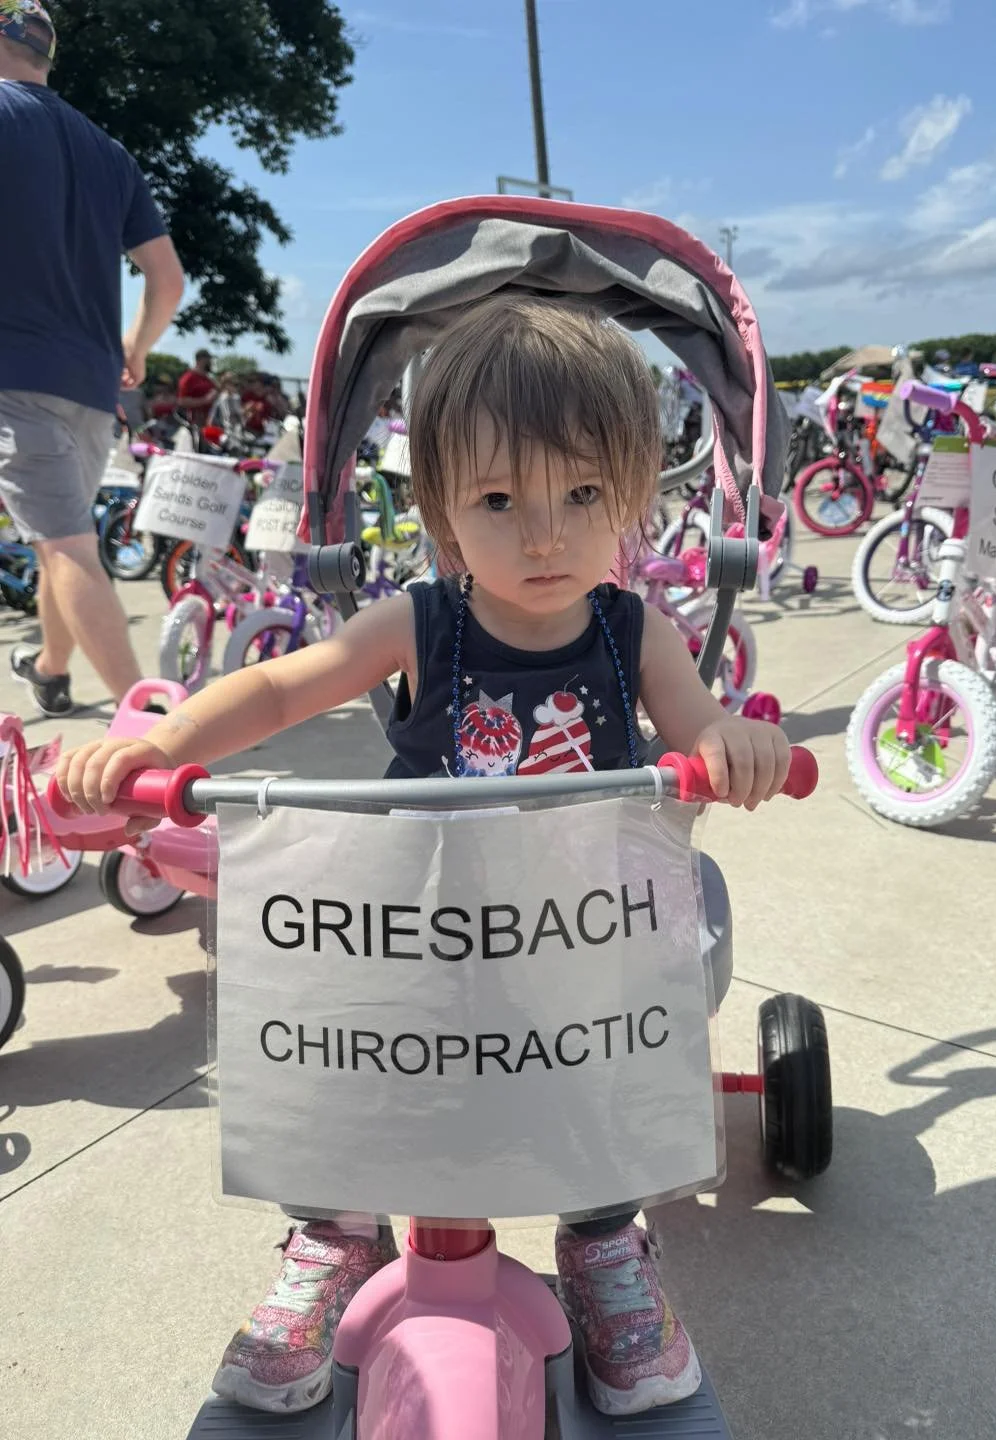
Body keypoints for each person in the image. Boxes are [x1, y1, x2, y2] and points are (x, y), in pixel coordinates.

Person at [56, 295, 792, 1419]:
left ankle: (601, 1243)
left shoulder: (631, 632)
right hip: (421, 926)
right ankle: (336, 1232)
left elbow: (696, 726)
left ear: (636, 496)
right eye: (500, 500)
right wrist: (163, 742)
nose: (543, 535)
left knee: (604, 1070)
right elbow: (278, 685)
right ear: (443, 510)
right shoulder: (420, 622)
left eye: (583, 494)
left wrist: (731, 743)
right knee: (333, 1047)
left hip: (577, 933)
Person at [0, 1, 185, 716]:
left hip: (14, 372)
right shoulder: (108, 151)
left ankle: (154, 728)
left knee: (69, 546)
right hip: (89, 383)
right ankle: (50, 667)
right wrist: (132, 350)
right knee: (61, 534)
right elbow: (166, 279)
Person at [177, 349, 218, 418]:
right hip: (195, 421)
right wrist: (205, 400)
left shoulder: (208, 379)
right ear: (201, 360)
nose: (211, 362)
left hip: (210, 419)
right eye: (209, 359)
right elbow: (182, 401)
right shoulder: (188, 378)